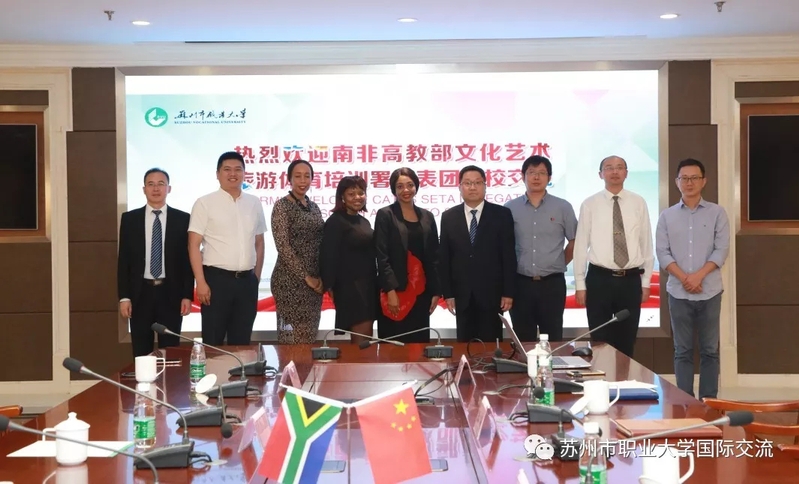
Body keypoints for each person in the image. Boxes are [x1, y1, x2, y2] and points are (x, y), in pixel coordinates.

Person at [656, 158, 729, 399]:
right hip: (678, 293)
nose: (689, 183)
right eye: (684, 178)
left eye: (694, 178)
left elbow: (721, 250)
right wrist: (685, 278)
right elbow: (662, 253)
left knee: (710, 351)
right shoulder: (666, 216)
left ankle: (709, 403)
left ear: (703, 181)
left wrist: (698, 276)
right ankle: (685, 403)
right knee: (682, 351)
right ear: (677, 182)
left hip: (710, 291)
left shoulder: (718, 213)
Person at [573, 155, 654, 358]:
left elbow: (646, 244)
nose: (615, 171)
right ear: (601, 174)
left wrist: (646, 282)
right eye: (609, 168)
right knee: (600, 340)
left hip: (630, 279)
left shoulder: (638, 202)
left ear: (626, 173)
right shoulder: (590, 204)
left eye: (619, 167)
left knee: (627, 340)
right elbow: (581, 246)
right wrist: (580, 284)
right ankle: (602, 376)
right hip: (599, 279)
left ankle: (624, 377)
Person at [188, 152, 266, 346]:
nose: (233, 174)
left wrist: (255, 277)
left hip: (246, 282)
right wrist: (200, 282)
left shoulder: (254, 203)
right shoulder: (205, 203)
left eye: (238, 169)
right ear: (218, 174)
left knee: (242, 343)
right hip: (216, 282)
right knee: (213, 341)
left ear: (244, 173)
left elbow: (259, 242)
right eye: (227, 169)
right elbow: (193, 245)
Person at [117, 168, 193, 357]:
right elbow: (124, 260)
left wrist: (187, 295)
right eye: (151, 184)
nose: (156, 189)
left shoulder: (183, 219)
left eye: (161, 184)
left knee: (171, 350)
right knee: (141, 351)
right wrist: (124, 297)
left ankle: (170, 379)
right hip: (140, 293)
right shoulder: (130, 219)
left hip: (171, 293)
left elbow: (187, 261)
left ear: (169, 188)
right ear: (144, 189)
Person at [439, 165, 516, 343]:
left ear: (485, 186)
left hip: (492, 294)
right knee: (464, 346)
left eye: (477, 183)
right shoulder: (449, 217)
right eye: (467, 183)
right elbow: (445, 257)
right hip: (462, 295)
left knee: (492, 346)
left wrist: (508, 292)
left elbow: (508, 255)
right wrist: (448, 293)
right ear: (460, 187)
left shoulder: (502, 214)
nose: (472, 187)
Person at [505, 156, 578, 342]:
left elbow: (574, 241)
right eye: (531, 172)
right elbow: (503, 246)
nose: (536, 177)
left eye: (542, 173)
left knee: (553, 338)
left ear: (549, 177)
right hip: (520, 284)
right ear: (523, 176)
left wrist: (559, 261)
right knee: (523, 339)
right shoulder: (509, 208)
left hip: (552, 284)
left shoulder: (563, 207)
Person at [374, 167, 441, 343]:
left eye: (410, 185)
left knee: (419, 346)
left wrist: (436, 291)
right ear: (393, 190)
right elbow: (382, 256)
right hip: (396, 292)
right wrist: (390, 291)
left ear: (416, 186)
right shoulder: (385, 215)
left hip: (421, 293)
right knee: (393, 347)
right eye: (400, 186)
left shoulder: (427, 216)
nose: (406, 190)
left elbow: (434, 256)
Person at [270, 160, 325, 344]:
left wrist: (320, 277)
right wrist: (305, 277)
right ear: (289, 179)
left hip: (314, 284)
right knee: (291, 340)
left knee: (308, 338)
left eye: (307, 176)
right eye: (298, 176)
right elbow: (283, 246)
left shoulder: (314, 207)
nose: (303, 181)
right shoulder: (281, 206)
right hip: (289, 282)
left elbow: (320, 242)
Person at [320, 176, 379, 345]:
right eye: (351, 194)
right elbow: (328, 255)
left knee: (367, 338)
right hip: (351, 288)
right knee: (362, 340)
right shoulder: (335, 221)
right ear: (342, 197)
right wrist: (330, 286)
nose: (357, 197)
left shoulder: (363, 221)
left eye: (361, 193)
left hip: (368, 285)